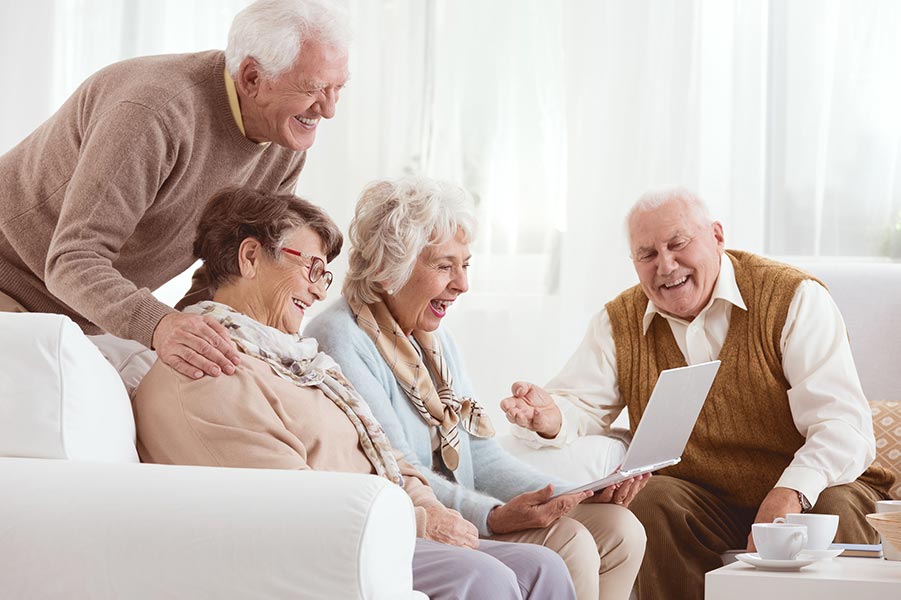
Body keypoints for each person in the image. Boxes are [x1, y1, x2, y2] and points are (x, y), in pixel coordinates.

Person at [133, 187, 576, 600]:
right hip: (330, 544)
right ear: (251, 258)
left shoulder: (299, 362)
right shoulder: (208, 367)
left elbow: (384, 452)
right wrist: (422, 520)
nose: (318, 288)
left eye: (324, 274)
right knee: (486, 577)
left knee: (542, 567)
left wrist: (428, 506)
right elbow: (293, 505)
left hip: (374, 522)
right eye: (311, 268)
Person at [501, 186, 896, 600]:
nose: (666, 266)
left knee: (832, 506)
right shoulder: (618, 321)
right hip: (707, 502)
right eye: (647, 255)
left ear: (718, 237)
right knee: (651, 502)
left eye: (678, 244)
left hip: (815, 489)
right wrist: (550, 419)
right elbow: (579, 402)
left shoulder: (793, 298)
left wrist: (787, 495)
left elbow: (842, 426)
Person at [305, 176, 648, 600]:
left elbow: (479, 454)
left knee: (621, 530)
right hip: (421, 522)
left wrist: (573, 493)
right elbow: (398, 470)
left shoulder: (434, 338)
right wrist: (494, 516)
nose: (462, 284)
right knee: (572, 544)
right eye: (444, 266)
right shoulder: (339, 337)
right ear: (390, 266)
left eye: (465, 265)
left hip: (467, 512)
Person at [0, 0, 349, 382]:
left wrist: (197, 334)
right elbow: (71, 260)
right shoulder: (153, 114)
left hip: (86, 315)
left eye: (337, 88)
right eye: (315, 89)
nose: (329, 110)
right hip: (13, 287)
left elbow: (227, 272)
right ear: (251, 78)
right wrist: (161, 324)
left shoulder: (283, 144)